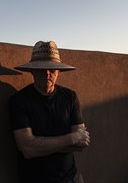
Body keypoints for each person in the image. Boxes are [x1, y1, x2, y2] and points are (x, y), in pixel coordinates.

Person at [9, 41, 90, 183]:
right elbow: (28, 149)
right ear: (32, 71)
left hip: (72, 177)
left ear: (58, 71)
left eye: (52, 69)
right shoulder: (19, 100)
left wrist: (41, 144)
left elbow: (81, 142)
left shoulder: (70, 96)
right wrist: (71, 138)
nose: (47, 73)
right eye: (41, 69)